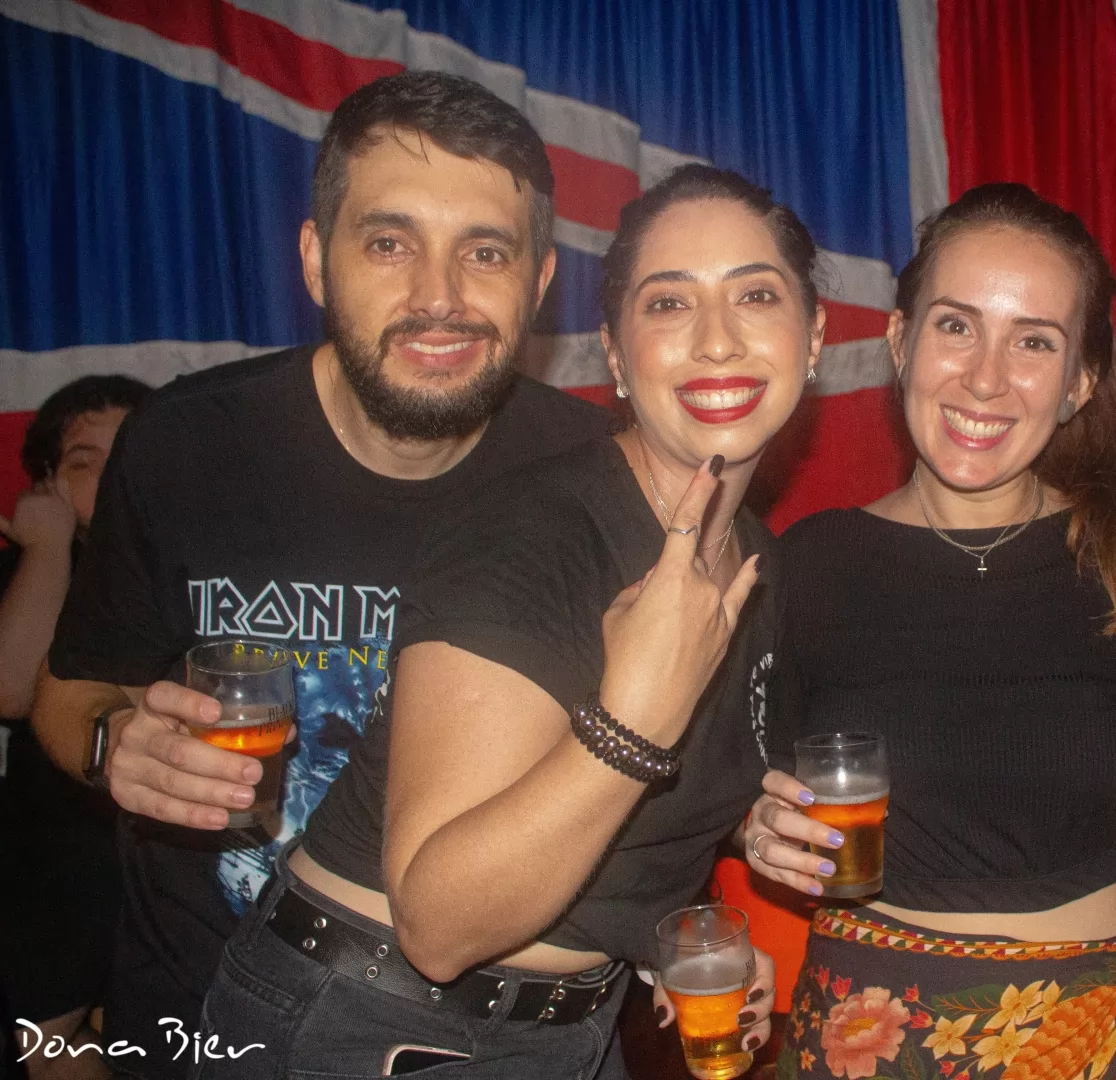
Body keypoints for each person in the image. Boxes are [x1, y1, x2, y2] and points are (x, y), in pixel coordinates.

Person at [29, 71, 610, 1075]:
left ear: (541, 281)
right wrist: (113, 744)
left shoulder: (596, 481)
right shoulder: (183, 445)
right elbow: (66, 691)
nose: (439, 296)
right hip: (199, 1025)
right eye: (389, 243)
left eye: (486, 252)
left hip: (476, 1043)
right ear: (314, 260)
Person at [191, 163, 825, 1078]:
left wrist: (704, 904)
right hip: (370, 1025)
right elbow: (439, 925)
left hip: (570, 1033)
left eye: (756, 295)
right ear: (615, 355)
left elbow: (638, 813)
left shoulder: (758, 566)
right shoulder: (531, 533)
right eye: (668, 303)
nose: (717, 339)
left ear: (814, 336)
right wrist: (633, 723)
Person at [744, 184, 1116, 1080]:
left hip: (1095, 1042)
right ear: (900, 341)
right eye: (956, 326)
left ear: (1079, 383)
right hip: (860, 1046)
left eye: (1034, 341)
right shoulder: (810, 564)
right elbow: (724, 780)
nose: (986, 378)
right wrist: (749, 827)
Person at [1, 376, 149, 1079]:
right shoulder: (37, 564)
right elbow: (9, 691)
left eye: (130, 454)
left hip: (165, 839)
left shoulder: (200, 561)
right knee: (47, 1038)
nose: (112, 476)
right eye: (85, 461)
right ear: (51, 484)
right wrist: (46, 547)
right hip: (53, 836)